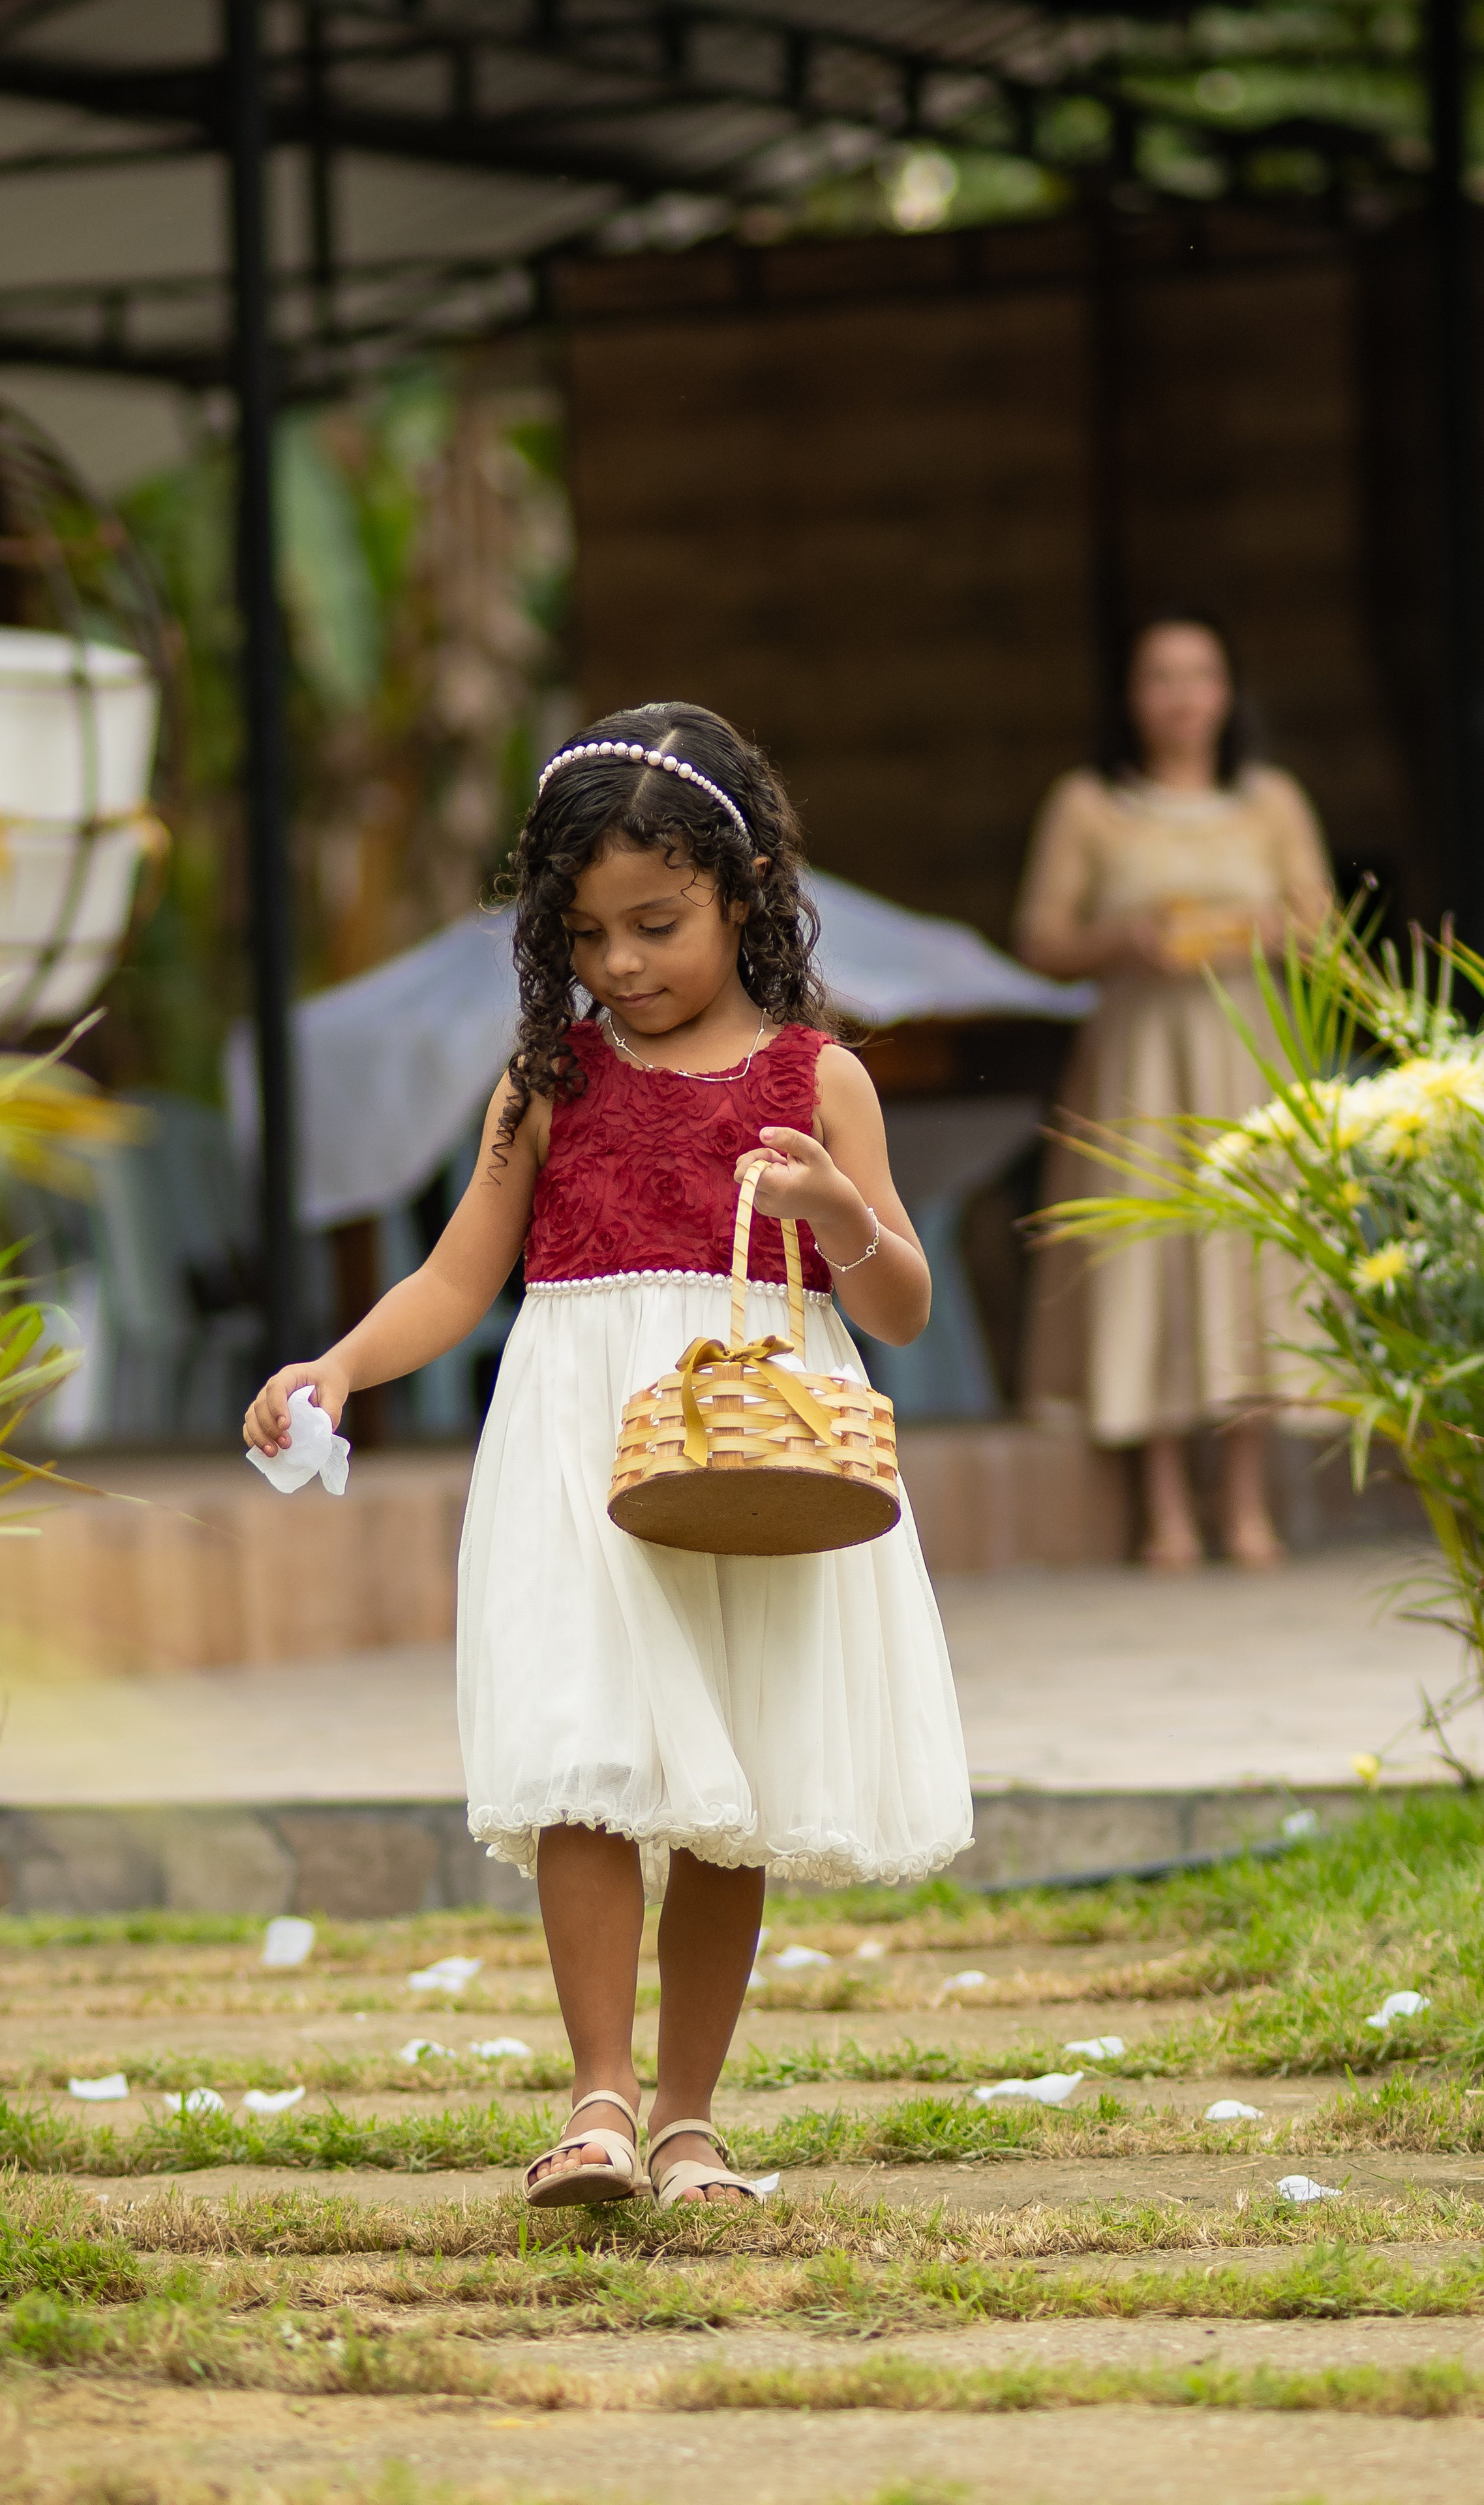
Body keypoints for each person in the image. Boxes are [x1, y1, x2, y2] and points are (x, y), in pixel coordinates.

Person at [246, 699, 972, 2208]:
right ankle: (596, 2099)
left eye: (656, 924)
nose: (622, 965)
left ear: (745, 889)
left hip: (748, 1447)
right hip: (576, 1449)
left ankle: (691, 2115)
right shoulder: (547, 1082)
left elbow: (896, 1302)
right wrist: (339, 1365)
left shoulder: (815, 1079)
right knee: (583, 1755)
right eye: (585, 936)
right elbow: (457, 1278)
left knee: (728, 1779)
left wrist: (836, 1212)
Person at [1014, 614, 1334, 1570]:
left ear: (1229, 692)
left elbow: (1322, 925)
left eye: (1202, 675)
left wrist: (1252, 929)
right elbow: (1041, 938)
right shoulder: (1087, 804)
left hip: (1250, 1057)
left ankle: (1245, 1500)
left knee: (1245, 1252)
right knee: (1144, 1251)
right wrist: (1124, 941)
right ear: (1131, 696)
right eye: (1162, 676)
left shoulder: (1270, 800)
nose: (1184, 695)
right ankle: (1164, 1507)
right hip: (1137, 1066)